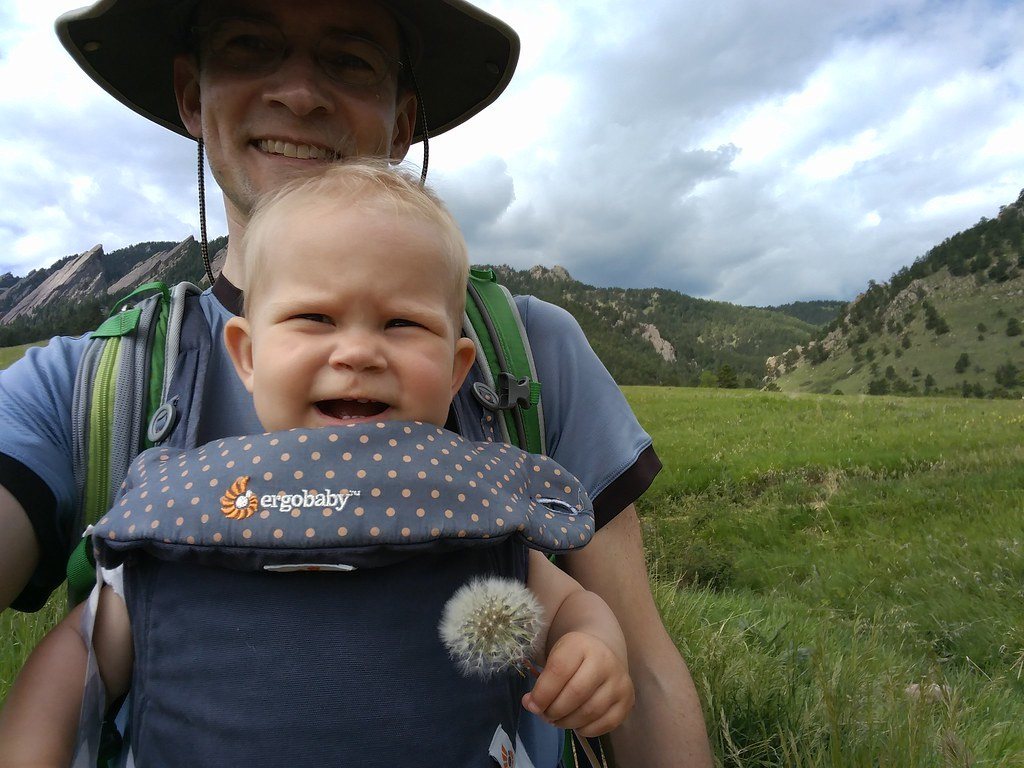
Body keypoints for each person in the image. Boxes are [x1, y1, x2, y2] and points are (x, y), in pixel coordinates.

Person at [0, 0, 713, 765]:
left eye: (349, 58)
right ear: (190, 94)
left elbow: (627, 647)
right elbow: (89, 650)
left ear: (403, 120)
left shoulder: (528, 362)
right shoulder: (93, 388)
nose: (299, 93)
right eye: (248, 44)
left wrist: (591, 646)